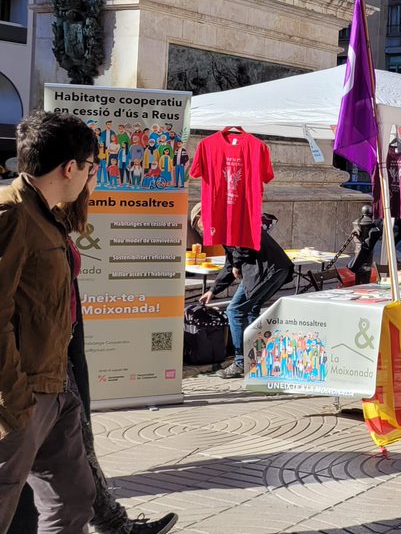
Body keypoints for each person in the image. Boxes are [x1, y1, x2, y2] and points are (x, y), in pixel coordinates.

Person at [10, 187, 179, 534]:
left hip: (60, 352)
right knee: (39, 474)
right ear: (69, 168)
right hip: (32, 366)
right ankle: (114, 524)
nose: (92, 184)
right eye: (88, 170)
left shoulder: (52, 219)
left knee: (72, 474)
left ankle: (113, 523)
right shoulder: (18, 215)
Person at [0, 111, 98, 532]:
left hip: (55, 386)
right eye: (90, 167)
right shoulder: (11, 214)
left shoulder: (46, 213)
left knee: (73, 501)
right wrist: (13, 399)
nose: (91, 176)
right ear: (70, 167)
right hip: (21, 394)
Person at [194, 205, 295, 378]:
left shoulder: (229, 224)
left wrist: (237, 264)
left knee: (235, 310)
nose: (202, 231)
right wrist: (213, 290)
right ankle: (256, 358)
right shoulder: (225, 227)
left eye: (199, 226)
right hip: (275, 268)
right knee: (251, 309)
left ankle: (241, 361)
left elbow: (244, 247)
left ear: (203, 217)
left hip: (266, 269)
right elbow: (230, 262)